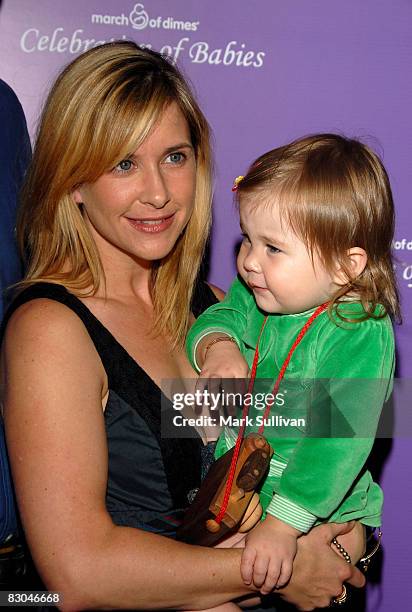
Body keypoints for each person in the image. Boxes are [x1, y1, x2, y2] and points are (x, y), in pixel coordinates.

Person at [0, 43, 365, 611]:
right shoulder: (50, 330)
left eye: (175, 156)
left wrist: (345, 536)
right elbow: (76, 575)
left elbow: (339, 433)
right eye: (123, 163)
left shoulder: (224, 309)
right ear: (72, 181)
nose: (159, 192)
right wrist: (270, 570)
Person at [187, 134, 397, 603]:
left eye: (273, 248)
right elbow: (221, 315)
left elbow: (337, 442)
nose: (248, 262)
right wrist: (218, 347)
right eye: (247, 240)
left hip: (315, 513)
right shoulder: (261, 289)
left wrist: (284, 524)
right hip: (245, 493)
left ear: (346, 266)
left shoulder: (358, 329)